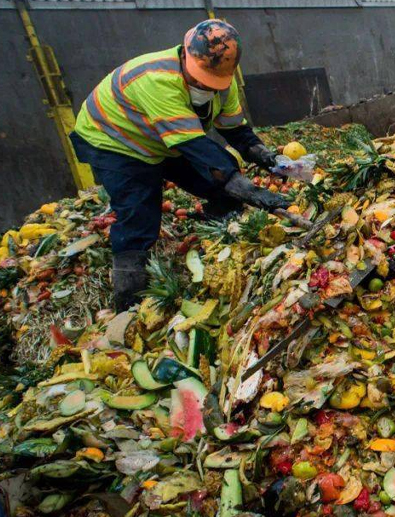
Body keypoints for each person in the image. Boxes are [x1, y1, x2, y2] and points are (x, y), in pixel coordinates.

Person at [70, 19, 289, 311]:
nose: (203, 86)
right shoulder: (157, 79)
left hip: (166, 138)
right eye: (199, 79)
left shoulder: (223, 82)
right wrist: (246, 187)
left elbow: (235, 130)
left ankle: (219, 242)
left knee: (218, 185)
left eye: (210, 82)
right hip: (115, 140)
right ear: (185, 56)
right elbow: (195, 147)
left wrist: (266, 157)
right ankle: (128, 301)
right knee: (139, 210)